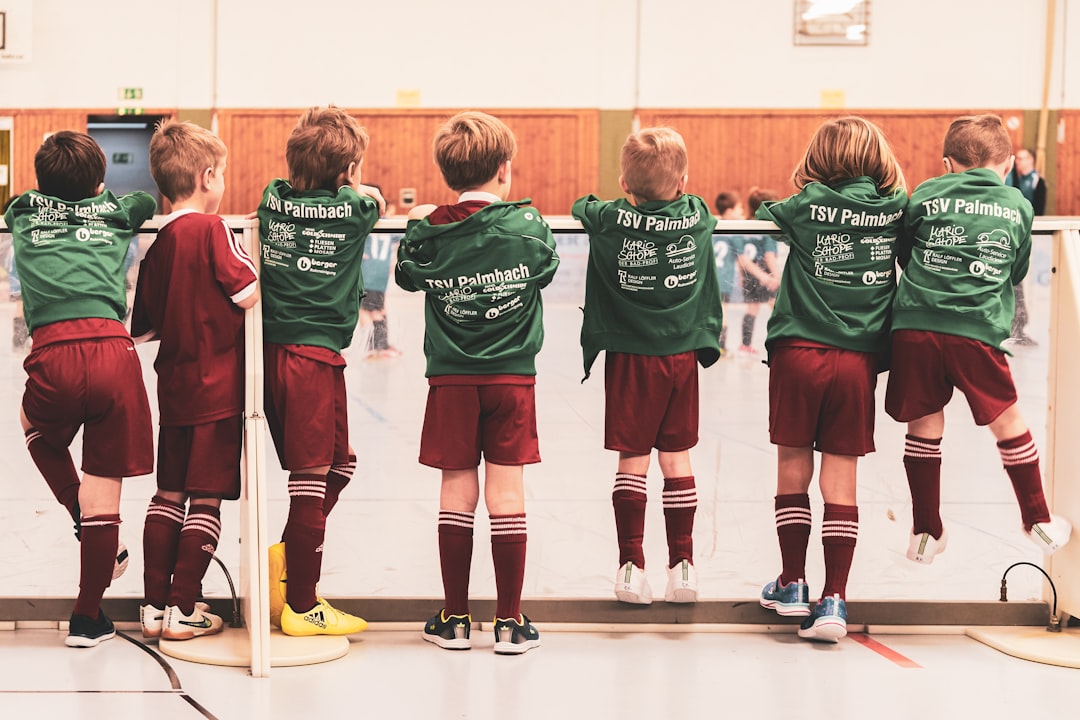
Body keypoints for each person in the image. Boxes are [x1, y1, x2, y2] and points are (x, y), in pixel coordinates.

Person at [396, 111, 558, 655]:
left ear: (446, 173)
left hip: (451, 379)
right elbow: (547, 264)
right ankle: (509, 622)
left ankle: (457, 618)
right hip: (512, 378)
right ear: (506, 170)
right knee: (507, 492)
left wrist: (424, 217)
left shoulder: (431, 230)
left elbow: (405, 271)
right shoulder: (528, 225)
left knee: (456, 491)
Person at [886, 114, 1072, 565]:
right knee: (1007, 422)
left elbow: (906, 253)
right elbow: (1017, 269)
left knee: (924, 425)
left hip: (914, 327)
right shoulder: (1018, 204)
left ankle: (926, 530)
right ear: (1007, 164)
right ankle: (1037, 519)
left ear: (947, 164)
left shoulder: (927, 192)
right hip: (975, 330)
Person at [754, 116, 907, 642]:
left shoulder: (807, 204)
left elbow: (764, 211)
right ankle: (835, 599)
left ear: (819, 159)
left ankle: (793, 583)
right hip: (856, 361)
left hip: (798, 351)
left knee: (793, 465)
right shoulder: (893, 209)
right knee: (841, 476)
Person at [4, 131, 157, 647]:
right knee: (105, 488)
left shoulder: (24, 213)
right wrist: (100, 201)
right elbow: (144, 200)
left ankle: (73, 509)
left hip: (53, 354)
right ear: (98, 183)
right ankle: (87, 618)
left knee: (32, 424)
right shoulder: (115, 211)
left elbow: (18, 202)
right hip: (115, 352)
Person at [573, 127, 722, 606]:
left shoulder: (610, 218)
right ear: (682, 182)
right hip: (680, 357)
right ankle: (683, 567)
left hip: (631, 360)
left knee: (632, 462)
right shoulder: (697, 215)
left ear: (624, 181)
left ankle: (631, 567)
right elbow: (701, 205)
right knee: (677, 459)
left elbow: (583, 206)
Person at [257, 106, 385, 637]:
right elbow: (370, 199)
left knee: (340, 464)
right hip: (307, 359)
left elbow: (279, 188)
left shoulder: (272, 200)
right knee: (310, 478)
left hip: (298, 355)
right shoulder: (356, 209)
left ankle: (287, 555)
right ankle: (301, 603)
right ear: (348, 172)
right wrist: (358, 184)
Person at [131, 120, 259, 641]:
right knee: (205, 499)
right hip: (218, 390)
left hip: (176, 390)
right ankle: (185, 607)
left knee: (168, 494)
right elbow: (248, 290)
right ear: (208, 177)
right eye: (222, 173)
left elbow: (144, 328)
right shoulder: (213, 231)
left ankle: (154, 606)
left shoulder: (158, 245)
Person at [1004, 147, 1047, 346]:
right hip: (1010, 237)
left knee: (1018, 284)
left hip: (1026, 237)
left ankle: (1019, 328)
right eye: (1017, 159)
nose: (1020, 162)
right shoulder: (1010, 180)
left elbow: (1038, 211)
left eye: (1024, 158)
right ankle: (1013, 328)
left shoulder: (1037, 182)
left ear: (1032, 160)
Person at [736, 188, 780, 356]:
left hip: (750, 273)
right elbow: (769, 256)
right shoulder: (767, 227)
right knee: (776, 308)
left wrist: (742, 275)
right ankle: (779, 342)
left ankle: (745, 345)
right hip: (765, 274)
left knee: (752, 308)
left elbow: (741, 258)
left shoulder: (744, 226)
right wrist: (775, 276)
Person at [359, 188, 401, 359]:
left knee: (372, 309)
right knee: (374, 310)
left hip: (372, 276)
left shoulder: (368, 224)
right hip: (375, 276)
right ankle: (374, 347)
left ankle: (377, 346)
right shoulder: (385, 225)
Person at [713, 191, 744, 356]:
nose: (742, 213)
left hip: (712, 277)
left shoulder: (713, 225)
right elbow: (741, 258)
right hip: (723, 279)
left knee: (715, 310)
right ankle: (721, 346)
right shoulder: (734, 231)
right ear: (730, 211)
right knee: (723, 311)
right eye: (740, 209)